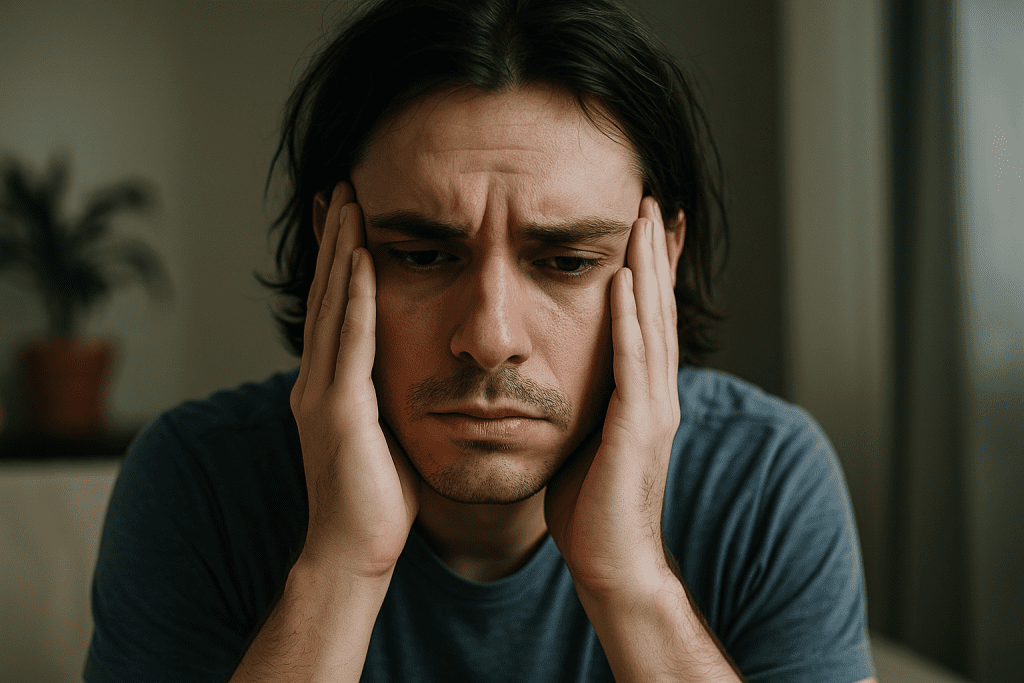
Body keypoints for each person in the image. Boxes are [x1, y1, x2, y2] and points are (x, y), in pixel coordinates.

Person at [85, 1, 878, 681]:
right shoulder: (196, 481)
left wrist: (633, 581)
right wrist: (338, 570)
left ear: (659, 259)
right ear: (333, 241)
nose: (489, 338)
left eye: (566, 261)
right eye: (424, 255)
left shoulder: (766, 480)